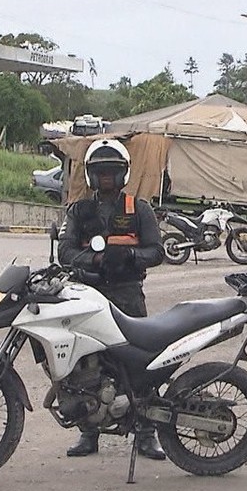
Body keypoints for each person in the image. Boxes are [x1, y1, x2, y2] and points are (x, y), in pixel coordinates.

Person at [57, 138, 166, 461]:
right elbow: (65, 251)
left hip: (127, 294)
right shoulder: (78, 211)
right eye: (101, 173)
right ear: (91, 175)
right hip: (87, 293)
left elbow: (157, 251)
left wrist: (129, 256)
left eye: (112, 172)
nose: (106, 178)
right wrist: (93, 260)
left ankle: (147, 433)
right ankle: (88, 432)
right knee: (84, 363)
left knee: (139, 364)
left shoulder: (139, 209)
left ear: (123, 175)